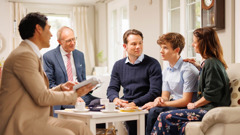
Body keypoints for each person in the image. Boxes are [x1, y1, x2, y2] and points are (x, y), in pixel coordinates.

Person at [0, 12, 94, 135]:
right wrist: (75, 95)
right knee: (68, 133)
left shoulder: (31, 54)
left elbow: (39, 92)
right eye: (49, 29)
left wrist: (61, 88)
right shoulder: (24, 55)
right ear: (39, 29)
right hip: (21, 122)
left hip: (36, 118)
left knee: (80, 127)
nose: (50, 34)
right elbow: (42, 97)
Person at [151, 27, 231, 135]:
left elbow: (211, 95)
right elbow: (209, 79)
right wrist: (199, 66)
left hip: (211, 110)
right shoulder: (208, 63)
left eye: (195, 42)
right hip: (207, 108)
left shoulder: (211, 64)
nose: (192, 45)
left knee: (164, 116)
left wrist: (195, 104)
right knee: (173, 122)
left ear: (203, 43)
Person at [107, 29, 162, 135]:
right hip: (126, 102)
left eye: (140, 43)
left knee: (133, 121)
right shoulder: (118, 65)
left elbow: (155, 92)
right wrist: (115, 99)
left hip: (144, 104)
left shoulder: (153, 64)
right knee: (95, 104)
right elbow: (112, 88)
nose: (138, 47)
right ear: (125, 46)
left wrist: (134, 103)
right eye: (134, 44)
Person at [142, 32, 199, 135]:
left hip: (188, 107)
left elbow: (186, 101)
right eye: (161, 47)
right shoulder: (166, 70)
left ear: (177, 50)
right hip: (174, 103)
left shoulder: (187, 70)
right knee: (147, 111)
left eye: (165, 48)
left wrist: (160, 104)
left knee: (154, 111)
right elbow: (165, 96)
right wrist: (159, 100)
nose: (161, 51)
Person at [43, 26, 99, 117]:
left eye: (74, 39)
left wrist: (89, 86)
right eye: (69, 41)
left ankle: (100, 131)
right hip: (62, 98)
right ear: (59, 42)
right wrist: (72, 97)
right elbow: (50, 85)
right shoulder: (49, 57)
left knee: (102, 104)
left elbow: (82, 80)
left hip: (81, 96)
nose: (72, 43)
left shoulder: (79, 55)